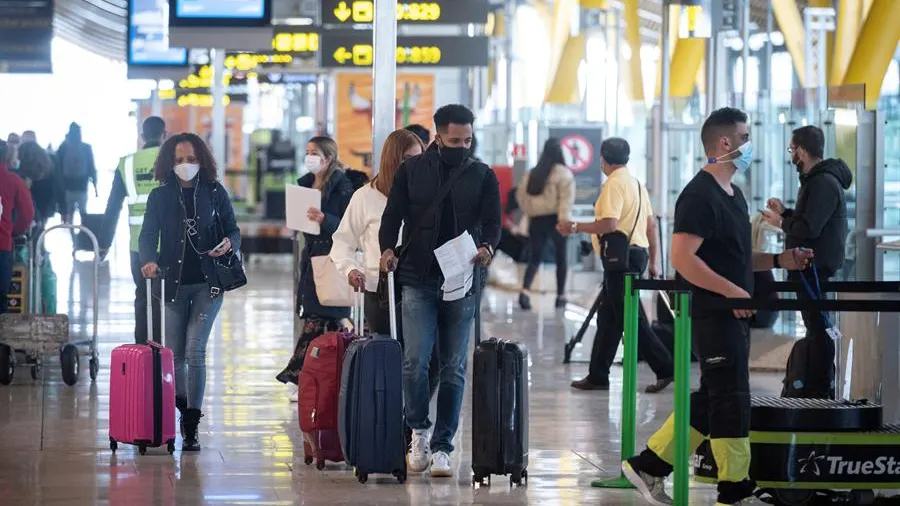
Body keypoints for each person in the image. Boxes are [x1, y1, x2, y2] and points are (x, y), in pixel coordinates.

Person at [623, 108, 814, 506]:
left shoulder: (734, 194)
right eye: (744, 136)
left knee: (712, 399)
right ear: (725, 143)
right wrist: (731, 292)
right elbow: (683, 258)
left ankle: (650, 464)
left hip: (732, 311)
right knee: (731, 399)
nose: (749, 144)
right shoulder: (699, 195)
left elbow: (737, 257)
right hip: (714, 314)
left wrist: (781, 261)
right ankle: (734, 489)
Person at [379, 104, 501, 477]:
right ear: (437, 137)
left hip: (461, 279)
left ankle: (444, 446)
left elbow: (494, 222)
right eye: (454, 140)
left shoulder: (482, 175)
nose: (461, 146)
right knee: (415, 361)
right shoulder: (412, 171)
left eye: (467, 140)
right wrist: (386, 249)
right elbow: (392, 216)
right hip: (418, 276)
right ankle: (418, 431)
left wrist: (488, 248)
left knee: (453, 366)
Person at [139, 132, 241, 452]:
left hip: (209, 285)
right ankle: (182, 405)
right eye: (180, 160)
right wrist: (149, 261)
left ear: (203, 161)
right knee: (176, 355)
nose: (186, 165)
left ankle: (192, 424)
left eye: (192, 159)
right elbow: (147, 236)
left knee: (196, 351)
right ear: (170, 163)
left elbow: (232, 229)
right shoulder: (159, 197)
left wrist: (230, 243)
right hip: (171, 285)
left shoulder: (214, 192)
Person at [559, 138, 674, 394]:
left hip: (621, 261)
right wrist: (653, 262)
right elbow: (651, 226)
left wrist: (575, 227)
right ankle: (598, 375)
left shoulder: (613, 184)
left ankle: (666, 367)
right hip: (636, 256)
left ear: (602, 159)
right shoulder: (636, 184)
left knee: (631, 319)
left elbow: (609, 224)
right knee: (609, 318)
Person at [762, 125, 852, 399]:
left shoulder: (823, 182)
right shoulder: (818, 180)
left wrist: (782, 222)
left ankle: (819, 386)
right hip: (808, 267)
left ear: (801, 150)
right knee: (816, 325)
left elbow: (810, 228)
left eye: (792, 149)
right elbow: (810, 219)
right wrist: (787, 213)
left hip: (814, 269)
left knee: (819, 327)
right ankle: (816, 384)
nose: (792, 155)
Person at [275, 136, 354, 392]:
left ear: (328, 157)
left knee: (323, 316)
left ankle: (302, 372)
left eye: (315, 152)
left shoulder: (342, 186)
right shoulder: (306, 185)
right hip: (312, 260)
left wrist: (325, 219)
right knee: (315, 317)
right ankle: (310, 375)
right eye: (307, 151)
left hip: (332, 260)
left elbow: (348, 223)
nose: (309, 156)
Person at [102, 116, 167, 344]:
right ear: (164, 135)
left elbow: (112, 207)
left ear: (142, 137)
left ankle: (142, 348)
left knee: (143, 296)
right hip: (169, 243)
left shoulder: (127, 164)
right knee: (167, 299)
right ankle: (164, 351)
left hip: (137, 245)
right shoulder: (172, 161)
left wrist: (104, 243)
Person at [516, 138, 575, 310]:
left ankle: (524, 292)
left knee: (534, 258)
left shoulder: (533, 172)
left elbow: (521, 196)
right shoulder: (564, 174)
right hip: (556, 219)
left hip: (536, 220)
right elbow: (566, 201)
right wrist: (563, 221)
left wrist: (531, 211)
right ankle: (560, 296)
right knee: (561, 258)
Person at [0, 140, 36, 313]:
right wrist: (15, 231)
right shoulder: (14, 181)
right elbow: (28, 213)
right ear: (6, 158)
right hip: (2, 245)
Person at [56, 123, 97, 224]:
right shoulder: (86, 147)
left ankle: (73, 236)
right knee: (83, 213)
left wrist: (59, 188)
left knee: (69, 215)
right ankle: (83, 234)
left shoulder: (63, 148)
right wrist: (95, 186)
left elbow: (58, 169)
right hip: (82, 186)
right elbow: (92, 167)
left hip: (67, 187)